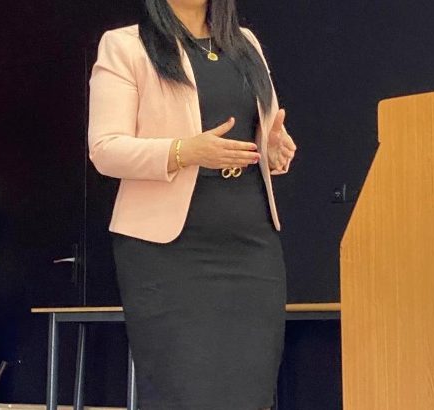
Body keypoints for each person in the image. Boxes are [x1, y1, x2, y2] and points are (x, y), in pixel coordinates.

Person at [88, 0, 297, 408]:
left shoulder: (246, 43)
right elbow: (105, 149)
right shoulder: (126, 45)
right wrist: (185, 151)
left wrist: (273, 151)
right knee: (185, 391)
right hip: (168, 252)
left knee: (249, 390)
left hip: (251, 243)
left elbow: (265, 136)